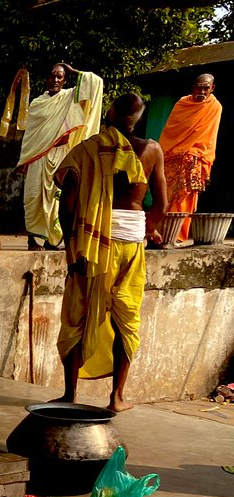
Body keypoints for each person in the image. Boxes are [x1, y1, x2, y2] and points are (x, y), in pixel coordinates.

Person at [54, 94, 166, 413]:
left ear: (110, 114)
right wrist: (147, 229)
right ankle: (116, 397)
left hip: (91, 244)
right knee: (126, 320)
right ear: (139, 118)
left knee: (78, 316)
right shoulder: (151, 150)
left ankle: (69, 395)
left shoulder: (87, 150)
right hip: (131, 243)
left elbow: (68, 202)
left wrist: (69, 245)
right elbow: (161, 204)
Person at [18, 63, 105, 250]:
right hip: (38, 157)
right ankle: (33, 239)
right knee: (33, 197)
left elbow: (96, 84)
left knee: (58, 199)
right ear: (46, 79)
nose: (55, 80)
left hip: (61, 156)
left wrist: (74, 71)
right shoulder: (37, 104)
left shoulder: (70, 98)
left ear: (65, 80)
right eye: (52, 76)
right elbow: (32, 136)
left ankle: (53, 239)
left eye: (60, 77)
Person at [159, 73, 222, 243]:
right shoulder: (182, 103)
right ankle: (160, 231)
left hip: (195, 158)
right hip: (172, 156)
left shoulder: (215, 107)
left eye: (206, 88)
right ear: (193, 87)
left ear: (212, 88)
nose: (201, 91)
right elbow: (171, 130)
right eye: (199, 87)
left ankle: (178, 233)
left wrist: (193, 153)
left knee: (185, 194)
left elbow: (208, 137)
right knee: (165, 192)